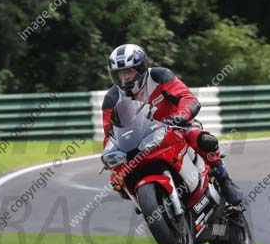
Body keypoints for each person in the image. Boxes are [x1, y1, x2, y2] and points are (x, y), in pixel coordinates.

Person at [101, 43, 242, 205]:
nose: (124, 77)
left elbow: (187, 99)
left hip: (176, 127)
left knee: (200, 139)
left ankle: (223, 178)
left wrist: (180, 117)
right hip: (140, 142)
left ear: (140, 68)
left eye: (128, 71)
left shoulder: (160, 76)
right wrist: (112, 162)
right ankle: (152, 204)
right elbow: (109, 136)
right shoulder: (112, 98)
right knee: (118, 179)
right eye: (119, 73)